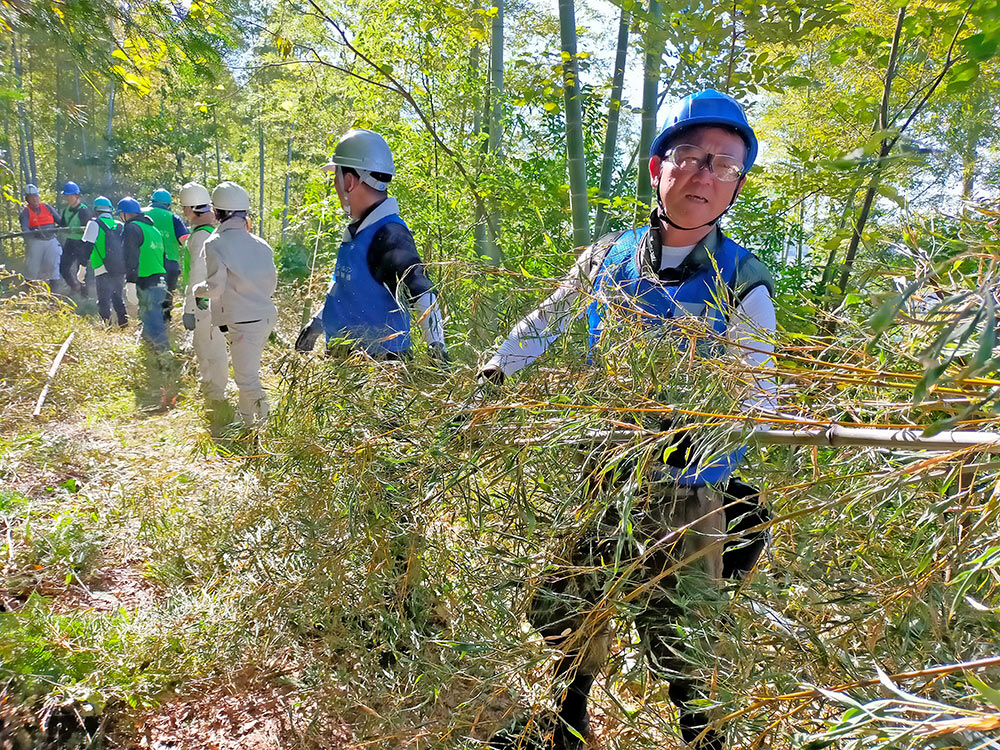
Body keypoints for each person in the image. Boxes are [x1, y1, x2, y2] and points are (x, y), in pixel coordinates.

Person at [482, 90, 777, 750]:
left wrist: (698, 446)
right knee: (572, 606)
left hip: (688, 491)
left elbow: (760, 398)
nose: (705, 174)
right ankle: (563, 725)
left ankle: (704, 740)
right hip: (604, 473)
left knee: (685, 640)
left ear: (736, 187)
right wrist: (497, 368)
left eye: (725, 165)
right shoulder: (607, 259)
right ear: (657, 167)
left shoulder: (742, 281)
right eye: (692, 157)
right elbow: (549, 320)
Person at [294, 129, 447, 363]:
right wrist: (317, 324)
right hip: (348, 365)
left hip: (379, 368)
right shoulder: (359, 232)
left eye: (336, 176)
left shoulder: (389, 234)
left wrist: (437, 349)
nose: (335, 185)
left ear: (349, 181)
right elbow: (348, 294)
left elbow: (422, 291)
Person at [192, 181, 277, 426]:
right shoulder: (262, 245)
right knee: (246, 374)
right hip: (265, 316)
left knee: (246, 379)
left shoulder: (215, 243)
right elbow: (270, 284)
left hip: (244, 322)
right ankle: (247, 421)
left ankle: (269, 428)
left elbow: (215, 287)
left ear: (217, 213)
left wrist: (199, 292)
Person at [178, 181, 228, 405]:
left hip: (205, 303)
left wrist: (189, 308)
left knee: (211, 346)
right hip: (212, 299)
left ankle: (216, 392)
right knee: (204, 345)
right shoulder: (211, 231)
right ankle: (208, 385)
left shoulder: (200, 237)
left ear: (189, 209)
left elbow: (197, 277)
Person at [119, 197, 170, 353]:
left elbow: (131, 256)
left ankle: (164, 358)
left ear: (125, 214)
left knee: (153, 320)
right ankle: (152, 358)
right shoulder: (153, 229)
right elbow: (163, 256)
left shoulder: (132, 228)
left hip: (146, 280)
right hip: (160, 279)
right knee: (150, 319)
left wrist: (130, 282)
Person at [81, 196, 127, 327]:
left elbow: (87, 247)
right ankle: (124, 326)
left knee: (103, 301)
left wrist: (82, 268)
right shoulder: (120, 225)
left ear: (96, 210)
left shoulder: (94, 224)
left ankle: (108, 327)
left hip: (102, 267)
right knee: (118, 299)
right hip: (119, 268)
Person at [144, 188, 189, 318]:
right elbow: (184, 240)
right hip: (170, 263)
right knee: (166, 297)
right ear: (168, 205)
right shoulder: (173, 218)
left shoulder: (140, 214)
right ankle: (166, 324)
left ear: (152, 201)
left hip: (147, 263)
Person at [17, 184, 62, 288]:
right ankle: (29, 292)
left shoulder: (47, 207)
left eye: (36, 196)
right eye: (31, 197)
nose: (34, 199)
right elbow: (25, 228)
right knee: (32, 268)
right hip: (36, 241)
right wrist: (31, 235)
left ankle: (54, 293)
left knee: (53, 265)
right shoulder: (25, 212)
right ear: (27, 199)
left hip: (51, 239)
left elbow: (60, 221)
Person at [58, 181, 94, 296]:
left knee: (82, 270)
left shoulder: (84, 210)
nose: (68, 198)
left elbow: (88, 229)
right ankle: (74, 286)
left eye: (70, 195)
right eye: (66, 195)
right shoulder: (66, 211)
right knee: (63, 267)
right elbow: (63, 225)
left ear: (76, 195)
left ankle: (85, 296)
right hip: (70, 242)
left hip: (81, 243)